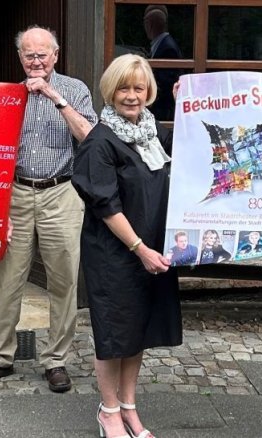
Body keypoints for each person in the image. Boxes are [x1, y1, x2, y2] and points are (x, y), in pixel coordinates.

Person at [0, 26, 97, 393]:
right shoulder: (8, 96)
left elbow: (89, 136)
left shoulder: (74, 90)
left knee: (64, 280)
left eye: (42, 54)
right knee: (8, 279)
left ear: (56, 55)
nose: (36, 61)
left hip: (62, 192)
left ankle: (56, 361)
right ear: (20, 58)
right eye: (29, 55)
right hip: (16, 194)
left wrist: (55, 97)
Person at [72, 54, 182, 438]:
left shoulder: (155, 135)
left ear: (149, 91)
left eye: (138, 87)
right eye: (123, 87)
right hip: (116, 253)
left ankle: (130, 408)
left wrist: (188, 105)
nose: (131, 96)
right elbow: (105, 205)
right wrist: (140, 248)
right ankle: (108, 411)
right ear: (110, 91)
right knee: (115, 335)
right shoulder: (100, 141)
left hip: (151, 250)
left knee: (138, 331)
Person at [143, 5, 182, 121]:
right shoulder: (162, 44)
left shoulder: (168, 48)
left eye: (146, 22)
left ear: (149, 25)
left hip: (163, 112)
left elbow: (165, 84)